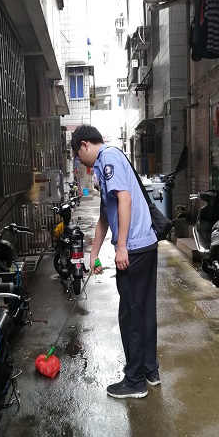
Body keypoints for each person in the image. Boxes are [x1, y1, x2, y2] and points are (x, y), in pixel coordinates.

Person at [71, 125, 160, 399]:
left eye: (78, 156)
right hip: (144, 245)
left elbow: (124, 199)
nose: (80, 162)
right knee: (143, 310)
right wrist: (94, 253)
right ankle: (149, 370)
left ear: (84, 145)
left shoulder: (108, 158)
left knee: (131, 314)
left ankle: (135, 381)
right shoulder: (106, 162)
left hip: (134, 248)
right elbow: (104, 215)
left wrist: (121, 247)